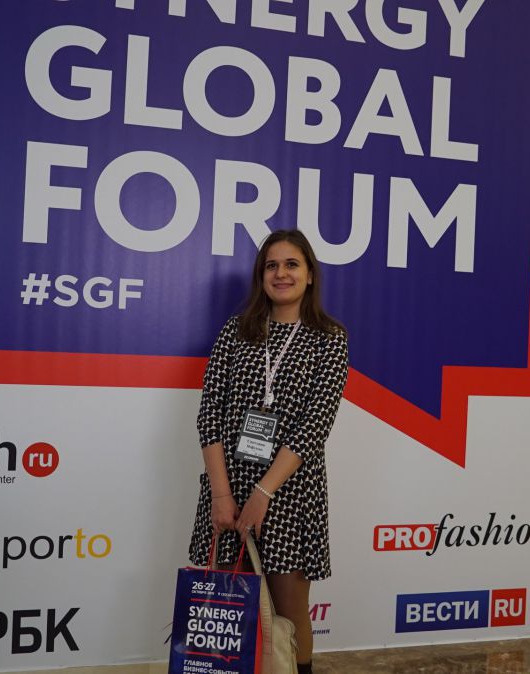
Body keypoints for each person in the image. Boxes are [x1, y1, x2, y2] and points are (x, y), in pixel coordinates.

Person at [189, 229, 349, 674]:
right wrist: (222, 495)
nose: (281, 273)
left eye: (292, 264)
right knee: (230, 612)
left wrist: (263, 494)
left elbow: (314, 426)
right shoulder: (236, 331)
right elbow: (209, 413)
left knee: (289, 613)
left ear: (310, 274)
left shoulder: (329, 339)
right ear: (261, 276)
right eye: (271, 266)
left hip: (289, 493)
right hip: (228, 489)